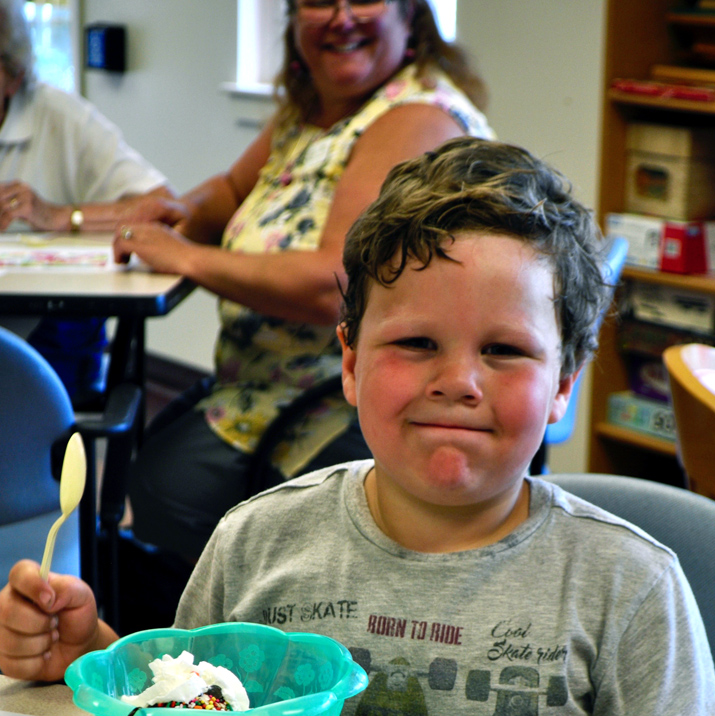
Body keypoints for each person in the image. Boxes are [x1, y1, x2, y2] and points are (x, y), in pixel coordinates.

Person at [1, 138, 715, 716]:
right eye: (416, 343)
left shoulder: (628, 586)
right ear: (349, 362)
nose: (459, 381)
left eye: (505, 350)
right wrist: (81, 656)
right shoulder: (254, 542)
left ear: (563, 383)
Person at [111, 0, 492, 562]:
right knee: (151, 466)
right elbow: (232, 191)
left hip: (342, 400)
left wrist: (187, 259)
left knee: (166, 483)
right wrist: (174, 214)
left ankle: (229, 630)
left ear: (409, 15)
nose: (340, 17)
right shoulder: (315, 112)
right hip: (260, 384)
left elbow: (334, 282)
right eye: (317, 1)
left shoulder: (418, 118)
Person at [0, 0, 173, 397]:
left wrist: (60, 216)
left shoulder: (59, 116)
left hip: (50, 332)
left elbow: (164, 206)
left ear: (14, 75)